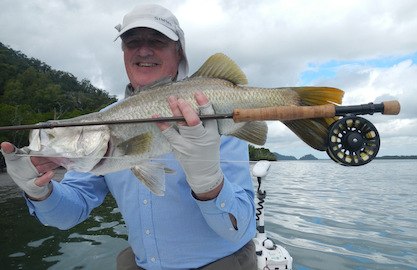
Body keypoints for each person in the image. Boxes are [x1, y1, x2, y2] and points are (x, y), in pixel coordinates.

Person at [1, 4, 256, 270]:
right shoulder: (103, 122)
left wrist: (209, 184)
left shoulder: (212, 112)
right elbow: (69, 214)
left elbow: (239, 229)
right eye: (132, 41)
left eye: (157, 40)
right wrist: (40, 192)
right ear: (123, 51)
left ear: (178, 51)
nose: (143, 50)